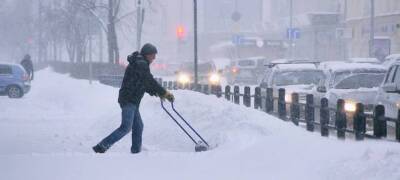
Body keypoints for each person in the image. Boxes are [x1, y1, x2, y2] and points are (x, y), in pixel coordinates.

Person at [92, 43, 174, 154]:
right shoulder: (141, 64)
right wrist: (164, 93)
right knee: (126, 127)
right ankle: (101, 147)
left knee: (138, 126)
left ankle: (136, 151)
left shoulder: (140, 63)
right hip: (129, 100)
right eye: (153, 55)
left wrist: (157, 93)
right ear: (147, 54)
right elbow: (149, 80)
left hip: (132, 100)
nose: (154, 58)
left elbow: (144, 83)